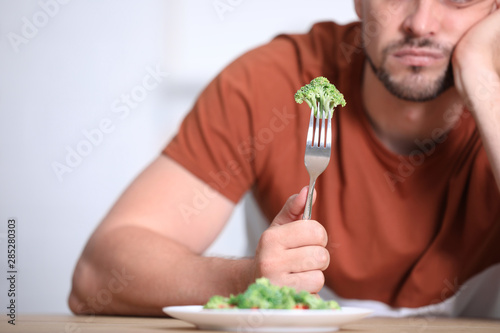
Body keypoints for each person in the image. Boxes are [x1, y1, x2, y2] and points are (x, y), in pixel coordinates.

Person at [69, 0, 500, 317]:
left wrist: (482, 75)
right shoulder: (270, 82)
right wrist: (246, 278)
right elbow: (96, 275)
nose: (421, 22)